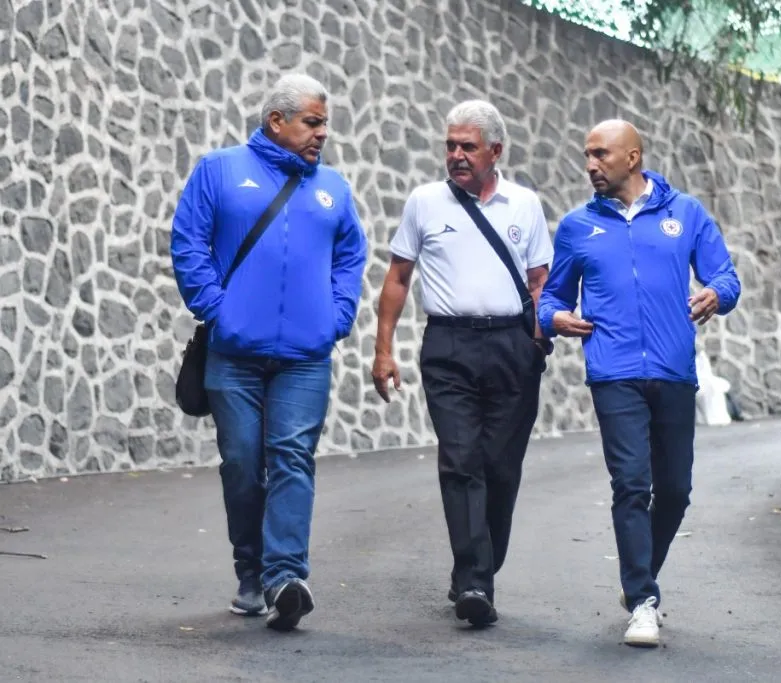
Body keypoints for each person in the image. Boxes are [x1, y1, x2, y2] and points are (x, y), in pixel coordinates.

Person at [170, 73, 368, 631]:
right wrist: (216, 307)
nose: (322, 133)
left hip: (306, 357)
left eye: (324, 122)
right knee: (241, 464)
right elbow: (188, 241)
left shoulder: (332, 187)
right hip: (233, 353)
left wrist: (337, 315)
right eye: (312, 121)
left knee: (291, 458)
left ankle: (285, 578)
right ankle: (249, 570)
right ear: (276, 121)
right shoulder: (219, 170)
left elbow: (351, 253)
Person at [537, 119, 741, 647]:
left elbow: (727, 276)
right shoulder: (577, 226)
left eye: (600, 155)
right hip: (614, 373)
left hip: (674, 369)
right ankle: (643, 599)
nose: (590, 165)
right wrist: (554, 319)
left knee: (674, 491)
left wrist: (716, 294)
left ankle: (638, 576)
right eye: (587, 155)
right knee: (631, 484)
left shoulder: (685, 213)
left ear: (633, 158)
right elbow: (551, 299)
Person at [371, 99, 553, 627]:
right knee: (460, 460)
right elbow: (399, 278)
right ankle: (475, 581)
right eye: (449, 145)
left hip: (511, 348)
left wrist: (539, 343)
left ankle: (476, 569)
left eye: (466, 147)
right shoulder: (425, 202)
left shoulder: (524, 205)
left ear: (495, 151)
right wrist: (384, 349)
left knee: (500, 468)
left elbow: (540, 284)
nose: (455, 155)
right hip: (448, 346)